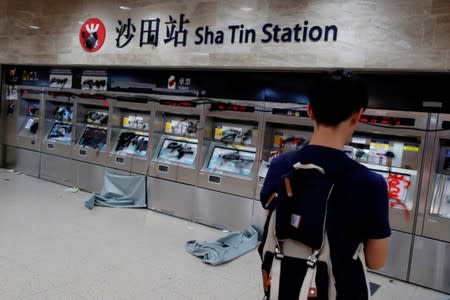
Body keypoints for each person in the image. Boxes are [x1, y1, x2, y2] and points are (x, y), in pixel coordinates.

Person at [260, 69, 391, 299]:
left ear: (310, 110)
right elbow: (376, 261)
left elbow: (271, 230)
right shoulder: (371, 183)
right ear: (357, 115)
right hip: (340, 290)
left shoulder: (280, 165)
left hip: (284, 286)